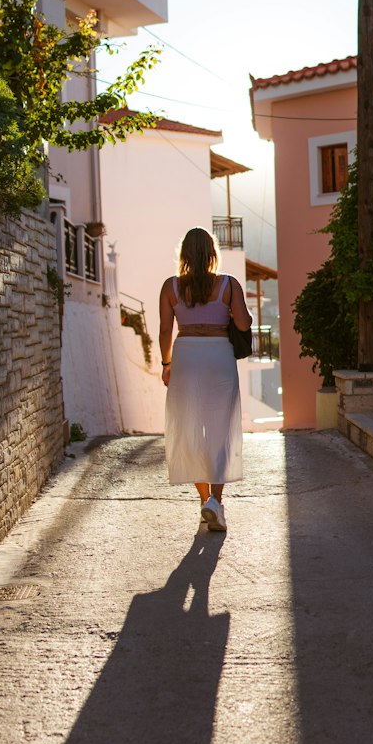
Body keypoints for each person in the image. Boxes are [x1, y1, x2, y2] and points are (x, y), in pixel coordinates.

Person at [159, 227, 252, 533]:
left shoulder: (171, 287)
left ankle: (205, 502)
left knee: (191, 429)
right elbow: (242, 322)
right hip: (218, 357)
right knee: (220, 430)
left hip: (186, 356)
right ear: (212, 253)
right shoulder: (228, 285)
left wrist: (166, 364)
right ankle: (217, 502)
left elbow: (164, 331)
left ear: (184, 254)